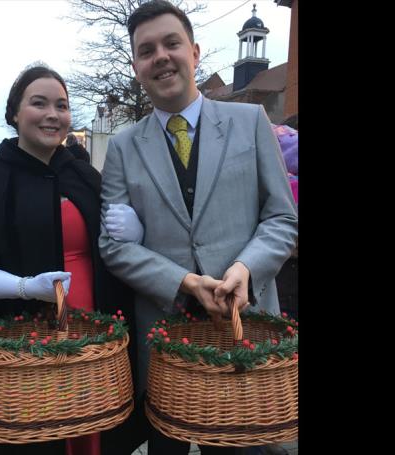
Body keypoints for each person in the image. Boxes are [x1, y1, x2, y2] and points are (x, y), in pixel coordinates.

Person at [98, 2, 298, 454]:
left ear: (195, 51)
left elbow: (282, 218)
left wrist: (247, 268)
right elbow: (112, 246)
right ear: (136, 67)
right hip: (165, 345)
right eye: (146, 51)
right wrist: (184, 281)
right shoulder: (124, 147)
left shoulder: (251, 123)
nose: (161, 56)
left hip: (243, 332)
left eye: (172, 43)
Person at [0, 64, 144, 455]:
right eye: (38, 103)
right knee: (37, 431)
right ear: (15, 113)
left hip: (90, 333)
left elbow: (115, 251)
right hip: (21, 340)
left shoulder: (85, 176)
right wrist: (24, 287)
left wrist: (133, 230)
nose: (52, 114)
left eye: (61, 106)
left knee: (89, 424)